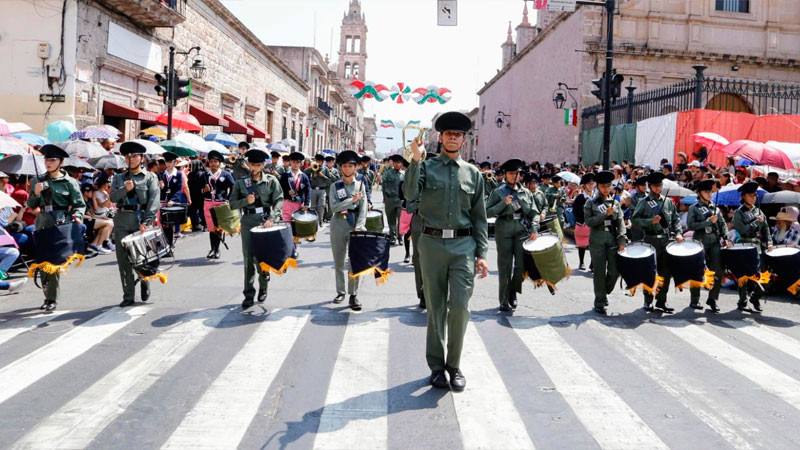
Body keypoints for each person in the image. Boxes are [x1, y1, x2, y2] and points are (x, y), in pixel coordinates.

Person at [404, 111, 489, 392]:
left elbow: (479, 217)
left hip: (463, 246)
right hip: (431, 243)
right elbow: (409, 193)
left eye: (458, 134)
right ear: (440, 138)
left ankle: (454, 365)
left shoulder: (473, 174)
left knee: (460, 307)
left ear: (464, 140)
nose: (453, 138)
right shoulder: (426, 167)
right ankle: (437, 367)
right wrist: (415, 161)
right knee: (436, 307)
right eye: (448, 133)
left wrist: (483, 254)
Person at [27, 144, 86, 311]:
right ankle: (47, 291)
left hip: (61, 223)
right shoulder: (37, 180)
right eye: (46, 159)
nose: (48, 163)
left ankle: (51, 298)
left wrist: (78, 217)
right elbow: (31, 205)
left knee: (54, 262)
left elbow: (79, 204)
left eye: (52, 160)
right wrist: (36, 193)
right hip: (42, 223)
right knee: (43, 262)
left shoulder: (70, 182)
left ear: (60, 162)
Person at [229, 148, 283, 309]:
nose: (254, 168)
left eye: (258, 165)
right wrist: (246, 201)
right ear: (248, 164)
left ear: (262, 165)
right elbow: (232, 203)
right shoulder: (241, 183)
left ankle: (264, 286)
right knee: (248, 259)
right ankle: (249, 294)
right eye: (252, 164)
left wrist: (273, 219)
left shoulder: (271, 181)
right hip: (248, 221)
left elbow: (279, 200)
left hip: (265, 221)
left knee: (263, 259)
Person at [486, 158, 540, 312]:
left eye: (516, 173)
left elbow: (534, 212)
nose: (513, 176)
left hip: (522, 230)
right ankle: (503, 299)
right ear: (505, 174)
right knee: (504, 265)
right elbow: (486, 211)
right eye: (510, 173)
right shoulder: (498, 192)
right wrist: (503, 203)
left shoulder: (526, 192)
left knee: (521, 265)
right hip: (504, 228)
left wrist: (534, 229)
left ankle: (513, 291)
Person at [111, 142, 161, 307]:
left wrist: (147, 222)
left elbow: (154, 202)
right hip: (122, 220)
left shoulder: (150, 177)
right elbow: (112, 198)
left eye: (134, 156)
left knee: (140, 259)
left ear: (141, 158)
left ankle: (144, 279)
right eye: (127, 156)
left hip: (140, 221)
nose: (130, 159)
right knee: (123, 261)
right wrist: (124, 189)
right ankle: (128, 295)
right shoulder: (118, 177)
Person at [632, 171, 683, 313]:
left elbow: (676, 219)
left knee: (666, 273)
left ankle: (661, 301)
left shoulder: (668, 202)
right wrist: (650, 221)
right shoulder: (644, 202)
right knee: (650, 272)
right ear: (650, 186)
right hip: (650, 239)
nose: (657, 188)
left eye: (659, 185)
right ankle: (648, 301)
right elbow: (635, 221)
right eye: (654, 186)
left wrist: (678, 233)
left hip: (666, 240)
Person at [328, 150, 368, 310]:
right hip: (338, 224)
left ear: (355, 168)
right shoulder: (335, 186)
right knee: (338, 260)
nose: (347, 169)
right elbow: (334, 207)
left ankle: (353, 294)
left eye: (350, 166)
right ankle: (340, 291)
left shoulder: (360, 185)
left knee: (354, 261)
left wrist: (360, 225)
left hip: (354, 225)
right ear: (340, 168)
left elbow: (363, 207)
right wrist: (352, 201)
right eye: (344, 166)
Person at [584, 171, 627, 315]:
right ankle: (599, 301)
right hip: (597, 238)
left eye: (608, 186)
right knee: (599, 272)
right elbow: (589, 222)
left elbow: (620, 222)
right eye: (603, 186)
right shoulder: (591, 203)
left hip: (612, 238)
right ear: (597, 187)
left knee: (615, 271)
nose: (606, 189)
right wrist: (604, 215)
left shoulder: (615, 202)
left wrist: (622, 240)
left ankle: (604, 292)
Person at [686, 179, 730, 313]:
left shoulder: (715, 208)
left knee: (718, 270)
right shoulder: (694, 208)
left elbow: (723, 225)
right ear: (699, 193)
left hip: (715, 241)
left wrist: (726, 237)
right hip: (700, 241)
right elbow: (691, 225)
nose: (709, 194)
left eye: (710, 191)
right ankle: (695, 299)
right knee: (697, 271)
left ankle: (713, 299)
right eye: (706, 192)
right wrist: (707, 222)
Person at [733, 181, 772, 312]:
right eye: (750, 195)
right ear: (743, 196)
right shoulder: (739, 212)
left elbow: (766, 229)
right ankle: (742, 301)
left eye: (755, 195)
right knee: (744, 276)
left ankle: (755, 298)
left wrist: (770, 243)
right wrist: (756, 222)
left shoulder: (758, 211)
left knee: (764, 276)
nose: (753, 197)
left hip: (758, 247)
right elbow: (742, 229)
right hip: (744, 245)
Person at [204, 150, 235, 259]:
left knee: (218, 228)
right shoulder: (205, 174)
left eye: (215, 162)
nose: (213, 164)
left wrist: (228, 198)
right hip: (208, 202)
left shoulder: (225, 174)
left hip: (220, 203)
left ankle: (216, 249)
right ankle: (212, 248)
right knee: (211, 228)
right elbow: (199, 190)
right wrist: (204, 190)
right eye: (211, 161)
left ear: (219, 163)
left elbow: (233, 186)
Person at [158, 152, 183, 251]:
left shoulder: (179, 174)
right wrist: (160, 187)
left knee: (169, 224)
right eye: (166, 161)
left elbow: (179, 189)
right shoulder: (161, 174)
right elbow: (158, 189)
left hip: (172, 202)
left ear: (175, 162)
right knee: (162, 224)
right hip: (162, 201)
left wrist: (173, 200)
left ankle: (170, 244)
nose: (168, 164)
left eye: (170, 162)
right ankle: (164, 244)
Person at [572, 173, 594, 271]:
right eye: (589, 184)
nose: (591, 186)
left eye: (593, 183)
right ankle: (581, 262)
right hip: (582, 223)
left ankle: (593, 264)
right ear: (584, 185)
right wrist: (585, 220)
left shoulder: (596, 196)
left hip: (594, 224)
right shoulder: (580, 197)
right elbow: (576, 211)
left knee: (594, 244)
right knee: (582, 245)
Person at [381, 154, 404, 245]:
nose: (398, 165)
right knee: (391, 220)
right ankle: (392, 236)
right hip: (390, 200)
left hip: (400, 200)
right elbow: (383, 186)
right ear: (393, 163)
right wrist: (385, 198)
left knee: (401, 219)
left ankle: (400, 236)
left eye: (400, 163)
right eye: (396, 163)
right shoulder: (387, 174)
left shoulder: (404, 175)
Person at [305, 154, 332, 226]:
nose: (319, 162)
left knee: (321, 206)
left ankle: (320, 221)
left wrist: (323, 176)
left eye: (320, 161)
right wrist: (311, 167)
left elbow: (329, 181)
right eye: (317, 161)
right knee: (313, 207)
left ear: (323, 162)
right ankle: (314, 221)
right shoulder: (313, 167)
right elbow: (304, 172)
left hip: (322, 190)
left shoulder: (325, 169)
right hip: (313, 189)